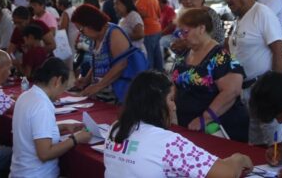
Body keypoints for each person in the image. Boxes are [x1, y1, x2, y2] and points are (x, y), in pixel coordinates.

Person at [104, 70, 253, 178]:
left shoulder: (116, 128)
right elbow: (226, 173)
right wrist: (239, 158)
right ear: (156, 103)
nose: (174, 107)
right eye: (171, 99)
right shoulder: (167, 143)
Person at [215, 0, 282, 146]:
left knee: (274, 142)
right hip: (246, 89)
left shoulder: (262, 13)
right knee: (256, 142)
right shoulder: (239, 18)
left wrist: (275, 87)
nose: (227, 0)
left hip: (263, 86)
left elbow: (278, 49)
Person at [172, 8, 249, 142]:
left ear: (201, 28)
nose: (182, 36)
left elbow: (232, 91)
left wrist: (205, 118)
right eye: (180, 33)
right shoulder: (185, 53)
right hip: (188, 125)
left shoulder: (221, 56)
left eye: (186, 32)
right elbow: (175, 82)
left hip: (217, 127)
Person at [10, 58, 92, 177]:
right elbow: (44, 154)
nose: (60, 96)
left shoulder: (26, 96)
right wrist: (76, 139)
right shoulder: (42, 105)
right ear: (57, 81)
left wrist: (63, 126)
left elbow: (32, 130)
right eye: (63, 88)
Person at [72, 4, 146, 102]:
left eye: (81, 29)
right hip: (102, 95)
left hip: (118, 96)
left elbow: (121, 65)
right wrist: (87, 79)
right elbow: (96, 62)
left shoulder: (114, 33)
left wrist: (98, 86)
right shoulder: (94, 38)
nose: (81, 33)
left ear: (90, 23)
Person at [136, 0, 163, 70]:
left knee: (149, 56)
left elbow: (143, 13)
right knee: (157, 55)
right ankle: (160, 73)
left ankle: (150, 76)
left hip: (149, 30)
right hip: (157, 29)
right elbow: (159, 13)